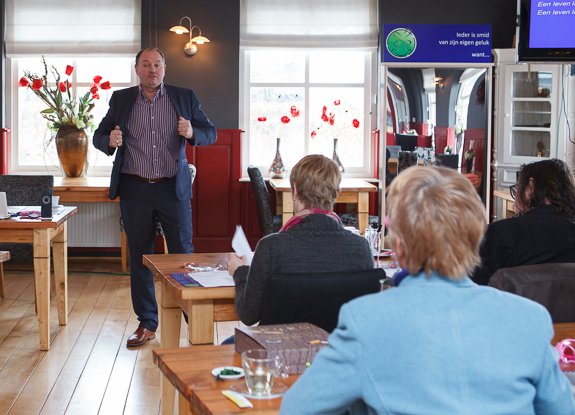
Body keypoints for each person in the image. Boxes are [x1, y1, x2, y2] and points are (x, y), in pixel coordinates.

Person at [280, 166, 574, 415]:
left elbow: (296, 409)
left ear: (399, 246)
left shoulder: (366, 320)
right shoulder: (530, 319)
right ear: (474, 237)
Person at [94, 47, 217, 347]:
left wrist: (191, 133)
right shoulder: (121, 100)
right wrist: (108, 140)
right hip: (135, 189)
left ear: (165, 68)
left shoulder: (184, 96)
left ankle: (193, 322)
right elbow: (99, 135)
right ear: (136, 69)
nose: (152, 70)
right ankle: (147, 323)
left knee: (183, 258)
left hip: (172, 189)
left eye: (158, 64)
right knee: (140, 258)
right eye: (146, 65)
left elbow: (210, 132)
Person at [227, 155, 374, 327]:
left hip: (279, 349)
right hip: (338, 349)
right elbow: (365, 312)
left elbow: (248, 314)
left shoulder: (271, 247)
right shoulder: (361, 247)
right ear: (336, 192)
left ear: (295, 191)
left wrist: (241, 272)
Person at [472, 158, 575, 285]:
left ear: (529, 189)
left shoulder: (499, 234)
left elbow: (472, 290)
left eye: (516, 190)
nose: (514, 204)